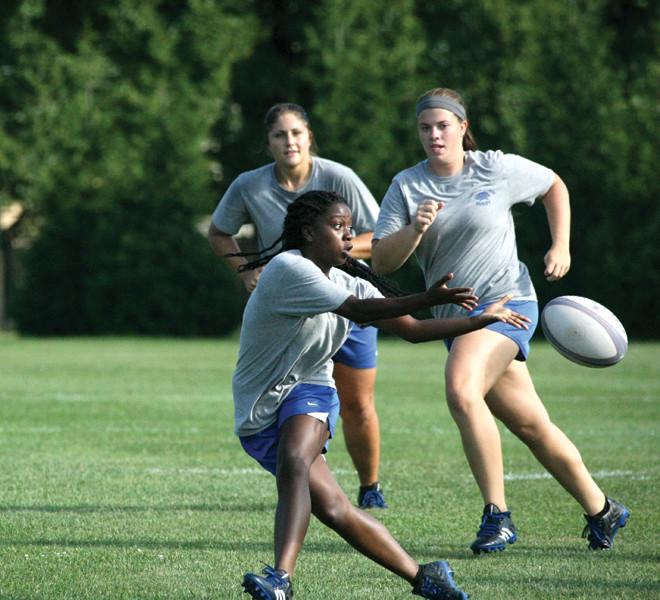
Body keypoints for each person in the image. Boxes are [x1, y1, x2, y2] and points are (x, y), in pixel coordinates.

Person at [234, 190, 532, 599]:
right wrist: (429, 298)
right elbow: (358, 311)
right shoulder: (288, 268)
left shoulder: (347, 280)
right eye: (337, 227)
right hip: (260, 410)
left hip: (311, 391)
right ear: (307, 232)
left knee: (294, 460)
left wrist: (479, 321)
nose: (348, 235)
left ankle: (280, 580)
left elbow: (411, 330)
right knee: (335, 510)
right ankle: (424, 576)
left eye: (350, 228)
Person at [371, 87, 629, 554]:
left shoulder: (493, 166)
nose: (434, 135)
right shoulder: (406, 186)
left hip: (508, 303)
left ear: (462, 127)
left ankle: (498, 515)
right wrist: (415, 229)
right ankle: (602, 509)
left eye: (443, 125)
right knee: (531, 425)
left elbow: (554, 184)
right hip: (458, 321)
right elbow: (384, 261)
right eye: (425, 127)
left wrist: (561, 244)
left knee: (461, 389)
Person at [210, 103, 389, 509]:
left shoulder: (337, 177)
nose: (289, 141)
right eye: (280, 135)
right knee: (295, 395)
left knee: (358, 402)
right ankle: (307, 475)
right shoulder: (249, 185)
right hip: (291, 312)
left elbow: (379, 235)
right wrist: (245, 271)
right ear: (269, 143)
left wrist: (336, 251)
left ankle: (370, 486)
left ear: (309, 137)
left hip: (345, 297)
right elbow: (219, 233)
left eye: (296, 133)